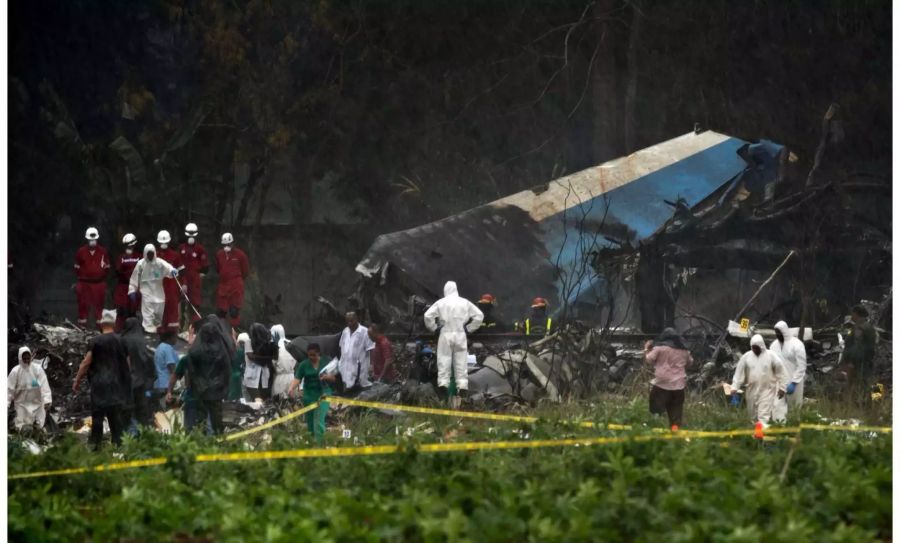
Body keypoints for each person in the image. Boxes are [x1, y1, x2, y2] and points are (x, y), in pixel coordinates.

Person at [73, 310, 131, 449]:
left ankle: (95, 447)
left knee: (97, 418)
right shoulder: (121, 340)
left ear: (101, 324)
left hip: (99, 386)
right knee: (115, 418)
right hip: (116, 386)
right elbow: (128, 364)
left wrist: (77, 380)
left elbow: (86, 363)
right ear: (115, 323)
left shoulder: (95, 341)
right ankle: (119, 447)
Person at [166, 320, 232, 435]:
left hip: (197, 395)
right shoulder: (221, 353)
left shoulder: (193, 353)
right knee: (216, 428)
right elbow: (227, 372)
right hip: (215, 395)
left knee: (197, 429)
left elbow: (183, 374)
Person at [423, 281, 484, 398]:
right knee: (461, 361)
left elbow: (427, 316)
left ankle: (443, 385)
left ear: (445, 290)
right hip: (460, 334)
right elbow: (479, 315)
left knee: (444, 359)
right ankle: (462, 386)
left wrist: (434, 328)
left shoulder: (441, 303)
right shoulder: (465, 302)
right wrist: (469, 328)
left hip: (445, 333)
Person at [730, 334, 787, 426]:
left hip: (767, 390)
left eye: (757, 347)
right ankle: (755, 437)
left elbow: (781, 372)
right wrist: (734, 388)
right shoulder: (746, 357)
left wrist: (782, 388)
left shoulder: (771, 356)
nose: (755, 350)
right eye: (753, 347)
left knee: (763, 416)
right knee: (752, 417)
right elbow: (738, 373)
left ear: (762, 346)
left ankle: (763, 437)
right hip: (751, 390)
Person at [643, 328, 692, 428]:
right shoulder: (684, 351)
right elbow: (690, 363)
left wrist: (646, 349)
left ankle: (656, 431)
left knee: (656, 411)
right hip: (679, 387)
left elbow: (649, 360)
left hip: (661, 385)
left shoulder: (660, 348)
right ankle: (674, 434)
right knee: (676, 415)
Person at [287, 343, 336, 443]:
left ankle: (320, 444)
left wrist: (327, 377)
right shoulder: (303, 365)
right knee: (310, 421)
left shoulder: (327, 362)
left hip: (324, 394)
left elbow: (334, 379)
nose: (311, 357)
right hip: (309, 395)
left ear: (319, 354)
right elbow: (297, 378)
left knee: (318, 419)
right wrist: (291, 388)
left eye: (314, 355)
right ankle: (311, 443)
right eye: (309, 355)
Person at [128, 243, 177, 333]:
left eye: (151, 253)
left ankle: (157, 333)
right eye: (148, 254)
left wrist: (172, 271)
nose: (150, 256)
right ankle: (148, 333)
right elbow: (134, 278)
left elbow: (168, 268)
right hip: (147, 294)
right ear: (145, 253)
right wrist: (132, 290)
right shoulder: (140, 264)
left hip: (159, 294)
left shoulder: (159, 263)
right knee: (148, 318)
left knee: (158, 317)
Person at [120, 317, 156, 430]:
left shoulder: (121, 339)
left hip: (125, 383)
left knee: (126, 413)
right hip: (142, 383)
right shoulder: (141, 340)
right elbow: (148, 360)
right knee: (142, 412)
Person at [8, 346, 52, 433]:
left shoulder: (37, 369)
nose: (27, 361)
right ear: (20, 358)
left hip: (37, 406)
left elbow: (44, 385)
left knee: (38, 428)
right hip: (21, 406)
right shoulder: (15, 372)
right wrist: (6, 404)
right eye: (24, 359)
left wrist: (47, 400)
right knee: (23, 429)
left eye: (28, 358)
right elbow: (9, 390)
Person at [74, 226, 111, 328]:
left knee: (99, 307)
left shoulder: (103, 251)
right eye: (90, 240)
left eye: (94, 240)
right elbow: (76, 268)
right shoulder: (81, 252)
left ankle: (100, 328)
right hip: (84, 283)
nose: (92, 242)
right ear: (87, 239)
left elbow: (107, 268)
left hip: (99, 284)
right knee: (83, 306)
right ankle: (82, 327)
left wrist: (101, 277)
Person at [770, 320, 807, 421]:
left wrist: (794, 382)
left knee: (794, 409)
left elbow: (801, 365)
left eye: (779, 332)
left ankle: (794, 431)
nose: (777, 335)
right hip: (780, 382)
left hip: (794, 382)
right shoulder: (773, 346)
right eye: (776, 332)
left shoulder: (797, 344)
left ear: (785, 331)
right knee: (777, 407)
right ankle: (779, 430)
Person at [214, 233, 249, 328]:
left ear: (232, 243)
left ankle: (235, 331)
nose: (227, 247)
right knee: (220, 312)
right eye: (225, 245)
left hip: (236, 287)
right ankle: (221, 331)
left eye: (228, 244)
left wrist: (236, 280)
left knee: (234, 311)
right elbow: (218, 269)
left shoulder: (240, 255)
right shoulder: (219, 255)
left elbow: (245, 271)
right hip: (223, 287)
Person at [336, 312, 375, 394]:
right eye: (348, 321)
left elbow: (372, 349)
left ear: (357, 319)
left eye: (352, 321)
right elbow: (341, 346)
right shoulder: (345, 331)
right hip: (345, 367)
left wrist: (372, 365)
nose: (350, 323)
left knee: (359, 390)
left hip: (359, 368)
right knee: (345, 390)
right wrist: (340, 361)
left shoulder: (365, 332)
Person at [842, 305, 877, 393]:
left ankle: (861, 402)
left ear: (856, 314)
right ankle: (877, 401)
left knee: (861, 383)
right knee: (873, 381)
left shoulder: (860, 327)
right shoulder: (869, 326)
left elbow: (858, 345)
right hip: (867, 359)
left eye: (853, 314)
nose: (852, 316)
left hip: (860, 362)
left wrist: (852, 361)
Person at [179, 223, 208, 325]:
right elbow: (178, 264)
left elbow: (205, 266)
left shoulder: (200, 249)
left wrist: (201, 275)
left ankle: (195, 326)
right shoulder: (181, 248)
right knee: (183, 302)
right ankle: (182, 325)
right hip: (183, 278)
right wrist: (182, 282)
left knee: (195, 303)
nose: (191, 237)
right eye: (189, 235)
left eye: (193, 235)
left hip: (195, 280)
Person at [156, 230, 185, 333]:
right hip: (158, 288)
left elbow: (182, 271)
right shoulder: (154, 255)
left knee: (172, 310)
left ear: (168, 242)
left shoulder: (175, 255)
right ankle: (160, 331)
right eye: (162, 242)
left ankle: (172, 332)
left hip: (172, 288)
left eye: (165, 242)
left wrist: (184, 284)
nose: (164, 244)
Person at [113, 233, 141, 331]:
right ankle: (119, 331)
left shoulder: (139, 257)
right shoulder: (121, 257)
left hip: (135, 287)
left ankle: (133, 331)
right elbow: (117, 272)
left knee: (133, 311)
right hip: (123, 287)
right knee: (122, 310)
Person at [242, 324, 276, 401]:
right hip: (252, 378)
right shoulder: (249, 342)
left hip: (264, 376)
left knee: (264, 400)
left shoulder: (266, 343)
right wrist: (265, 357)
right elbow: (251, 357)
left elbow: (272, 357)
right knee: (257, 400)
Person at [153, 331, 180, 411]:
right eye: (175, 337)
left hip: (159, 384)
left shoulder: (160, 347)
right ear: (169, 338)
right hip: (167, 385)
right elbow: (173, 369)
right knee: (169, 413)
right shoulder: (168, 348)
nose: (177, 339)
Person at [270, 324, 297, 398]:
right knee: (292, 404)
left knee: (279, 403)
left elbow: (273, 363)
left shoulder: (274, 346)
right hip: (292, 377)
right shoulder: (291, 343)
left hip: (280, 378)